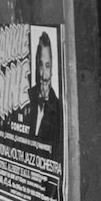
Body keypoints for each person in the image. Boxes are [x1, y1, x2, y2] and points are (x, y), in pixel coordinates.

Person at [24, 31, 62, 162]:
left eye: (47, 66)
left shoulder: (58, 109)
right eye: (40, 65)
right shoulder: (26, 98)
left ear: (52, 70)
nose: (43, 74)